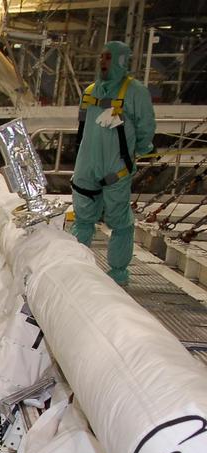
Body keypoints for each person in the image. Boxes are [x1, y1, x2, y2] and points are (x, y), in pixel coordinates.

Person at [70, 40, 154, 285]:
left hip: (116, 167)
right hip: (87, 164)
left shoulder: (135, 92)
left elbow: (145, 126)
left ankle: (118, 273)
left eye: (108, 57)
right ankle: (76, 266)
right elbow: (82, 128)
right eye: (101, 57)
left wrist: (140, 149)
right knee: (83, 217)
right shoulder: (90, 91)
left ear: (120, 60)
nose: (102, 62)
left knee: (119, 221)